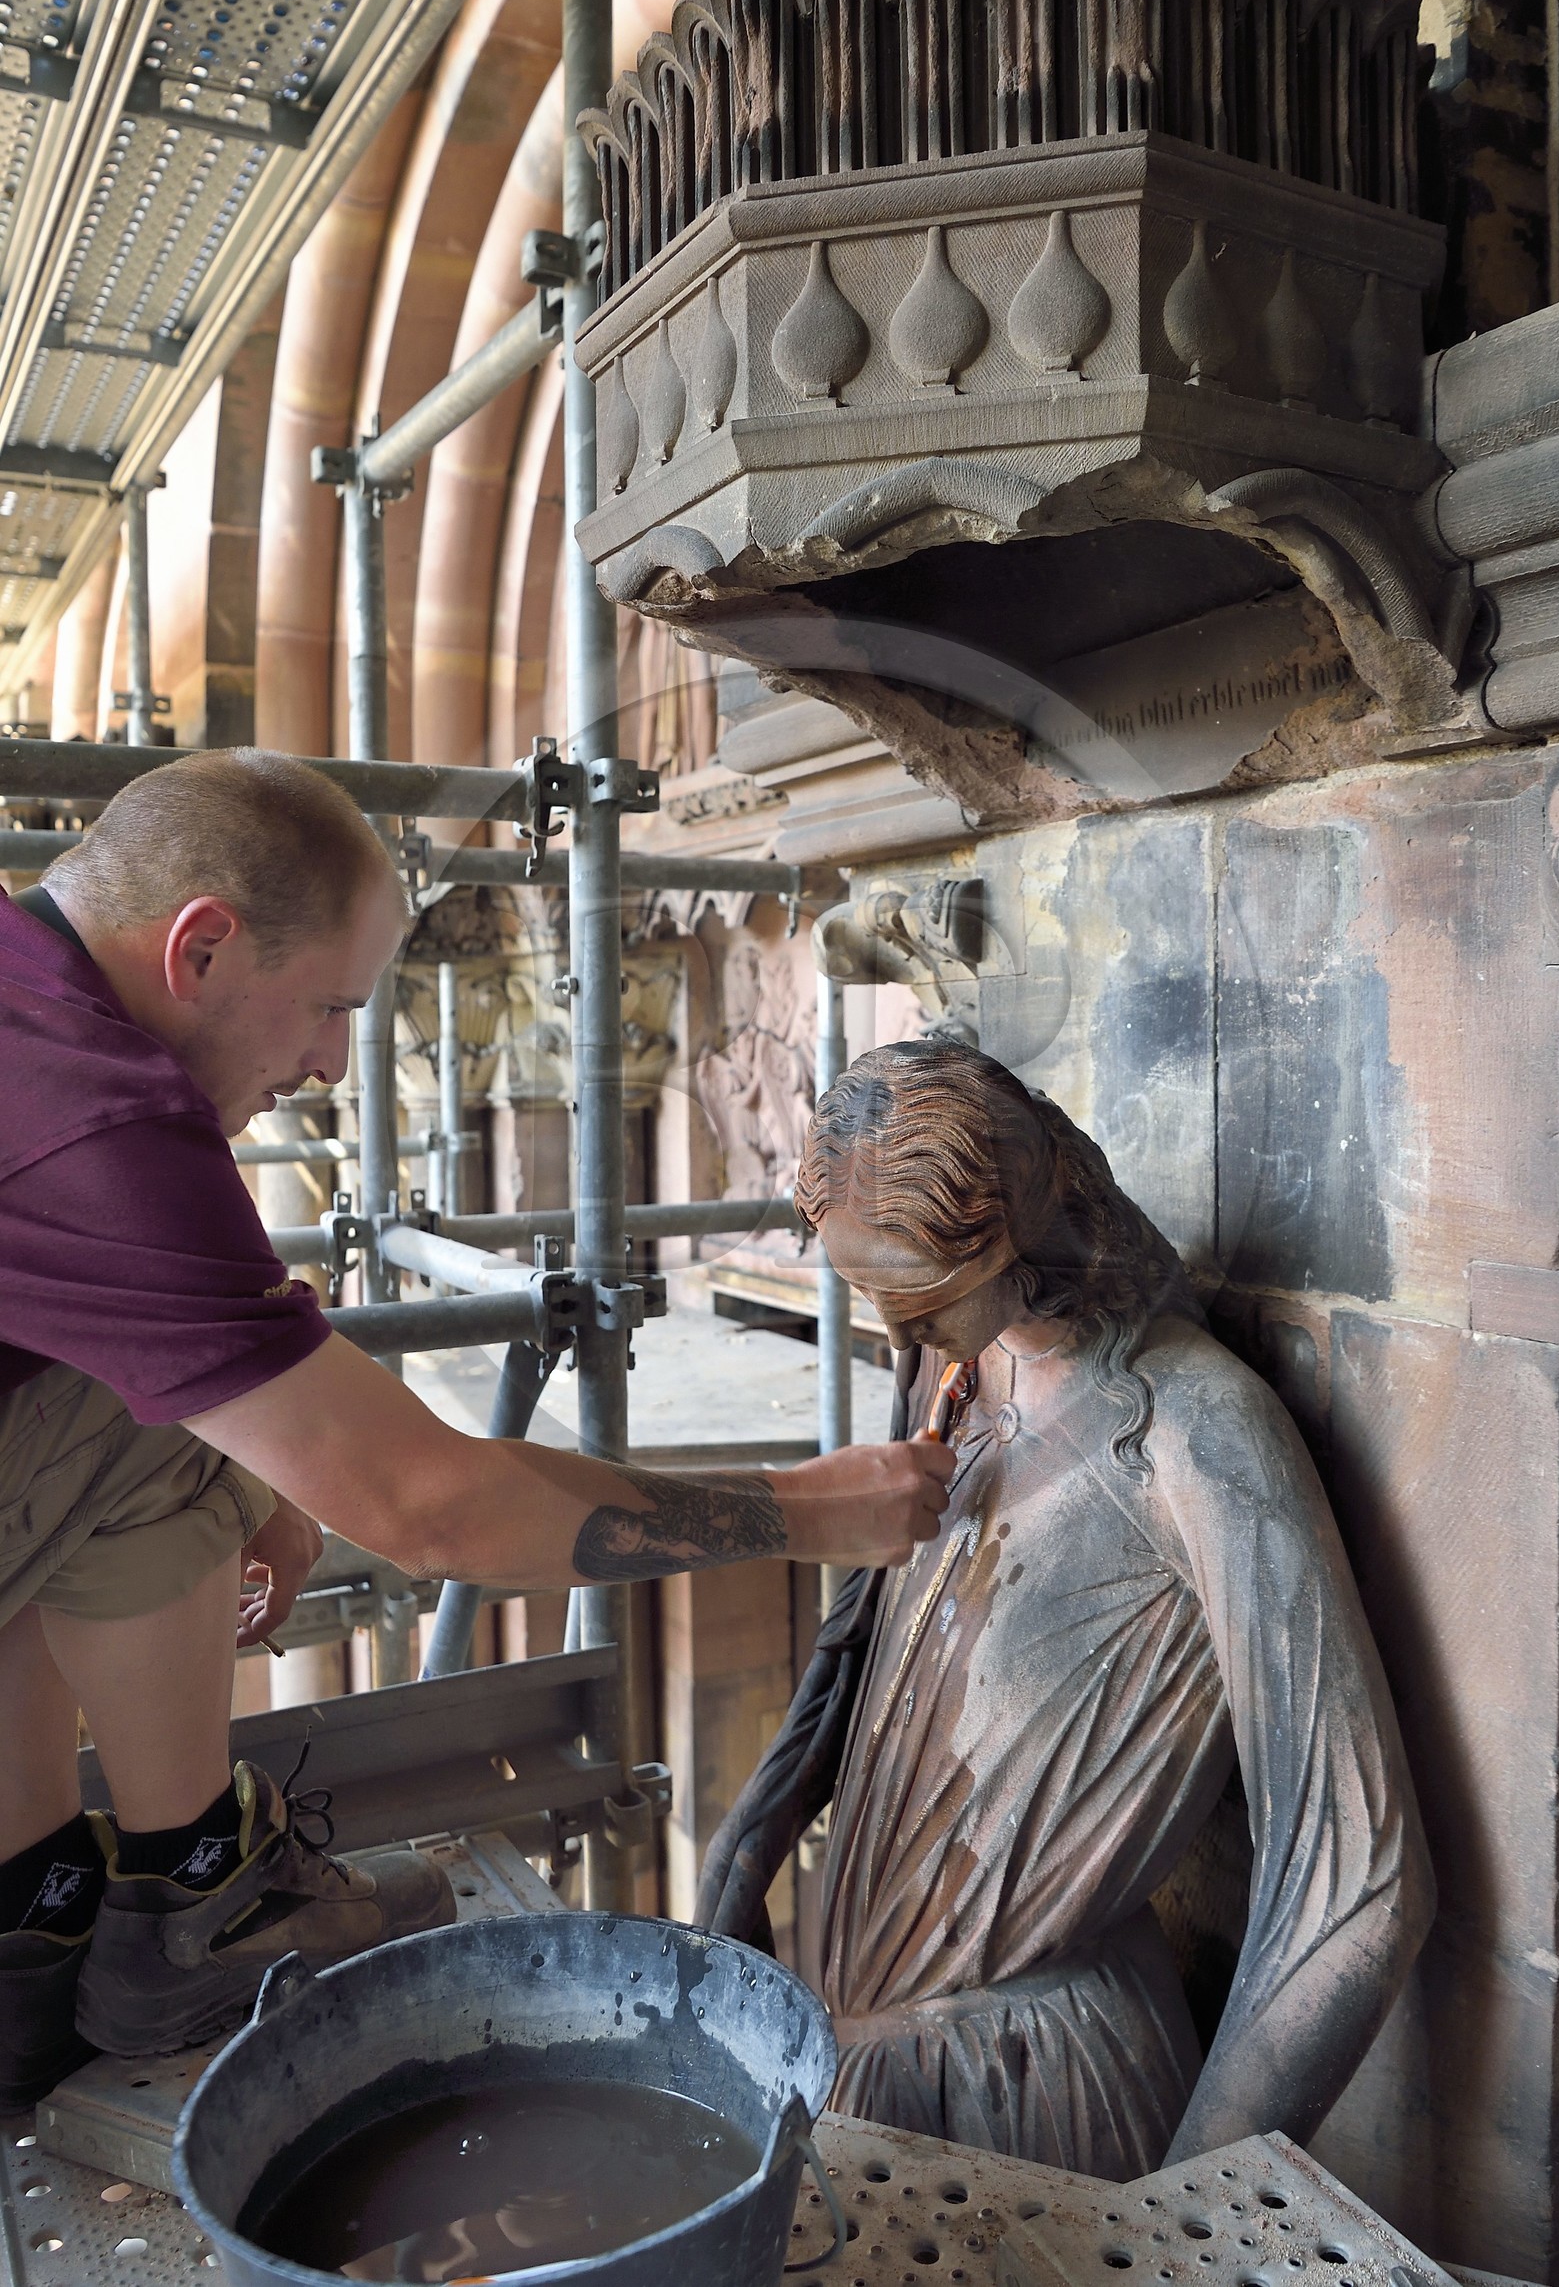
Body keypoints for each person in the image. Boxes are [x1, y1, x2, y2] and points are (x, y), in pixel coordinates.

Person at [0, 751, 954, 2110]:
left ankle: (31, 1928)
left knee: (208, 1365)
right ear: (200, 947)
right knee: (208, 1380)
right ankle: (199, 1894)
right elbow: (430, 1507)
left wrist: (241, 1451)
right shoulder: (89, 1117)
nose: (334, 1059)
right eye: (328, 1007)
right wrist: (815, 1508)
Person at [697, 1040, 1434, 2178]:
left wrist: (1187, 2216)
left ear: (1008, 1233)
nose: (899, 1335)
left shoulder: (1195, 1434)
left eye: (922, 1300)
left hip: (1037, 2091)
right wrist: (754, 1832)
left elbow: (1361, 1877)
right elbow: (868, 1634)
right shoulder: (962, 1370)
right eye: (876, 1299)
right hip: (861, 2043)